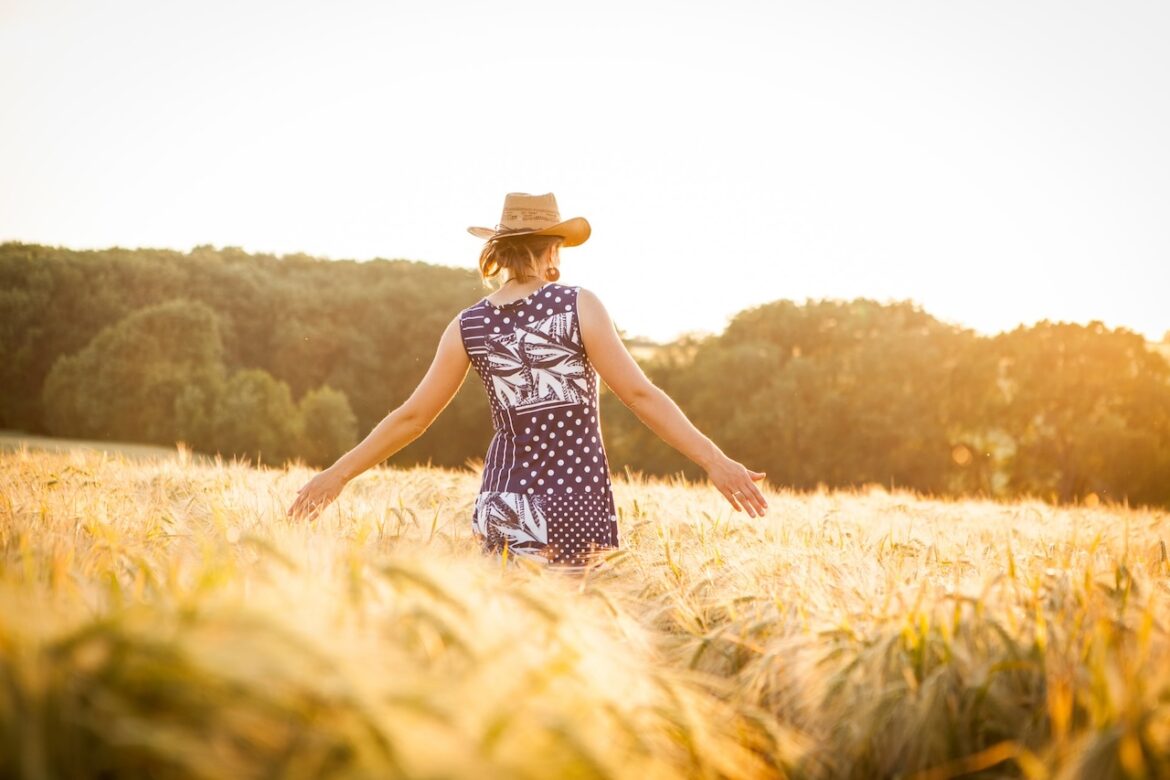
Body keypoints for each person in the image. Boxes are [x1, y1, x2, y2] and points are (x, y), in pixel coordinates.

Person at [287, 192, 768, 572]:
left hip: (502, 503)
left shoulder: (468, 325)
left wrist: (337, 476)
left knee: (506, 652)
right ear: (553, 248)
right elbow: (641, 396)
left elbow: (411, 418)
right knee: (561, 654)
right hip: (571, 501)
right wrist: (715, 460)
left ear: (500, 249)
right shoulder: (579, 306)